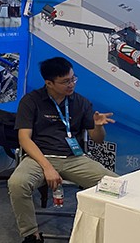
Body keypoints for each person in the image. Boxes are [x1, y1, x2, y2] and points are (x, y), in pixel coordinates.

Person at [8, 57, 118, 243]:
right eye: (65, 81)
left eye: (73, 79)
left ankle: (108, 234)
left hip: (73, 158)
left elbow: (97, 140)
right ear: (49, 83)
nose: (71, 84)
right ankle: (31, 234)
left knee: (114, 185)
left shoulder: (81, 102)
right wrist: (47, 167)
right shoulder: (31, 101)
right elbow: (24, 138)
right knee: (17, 183)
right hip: (38, 158)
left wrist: (98, 126)